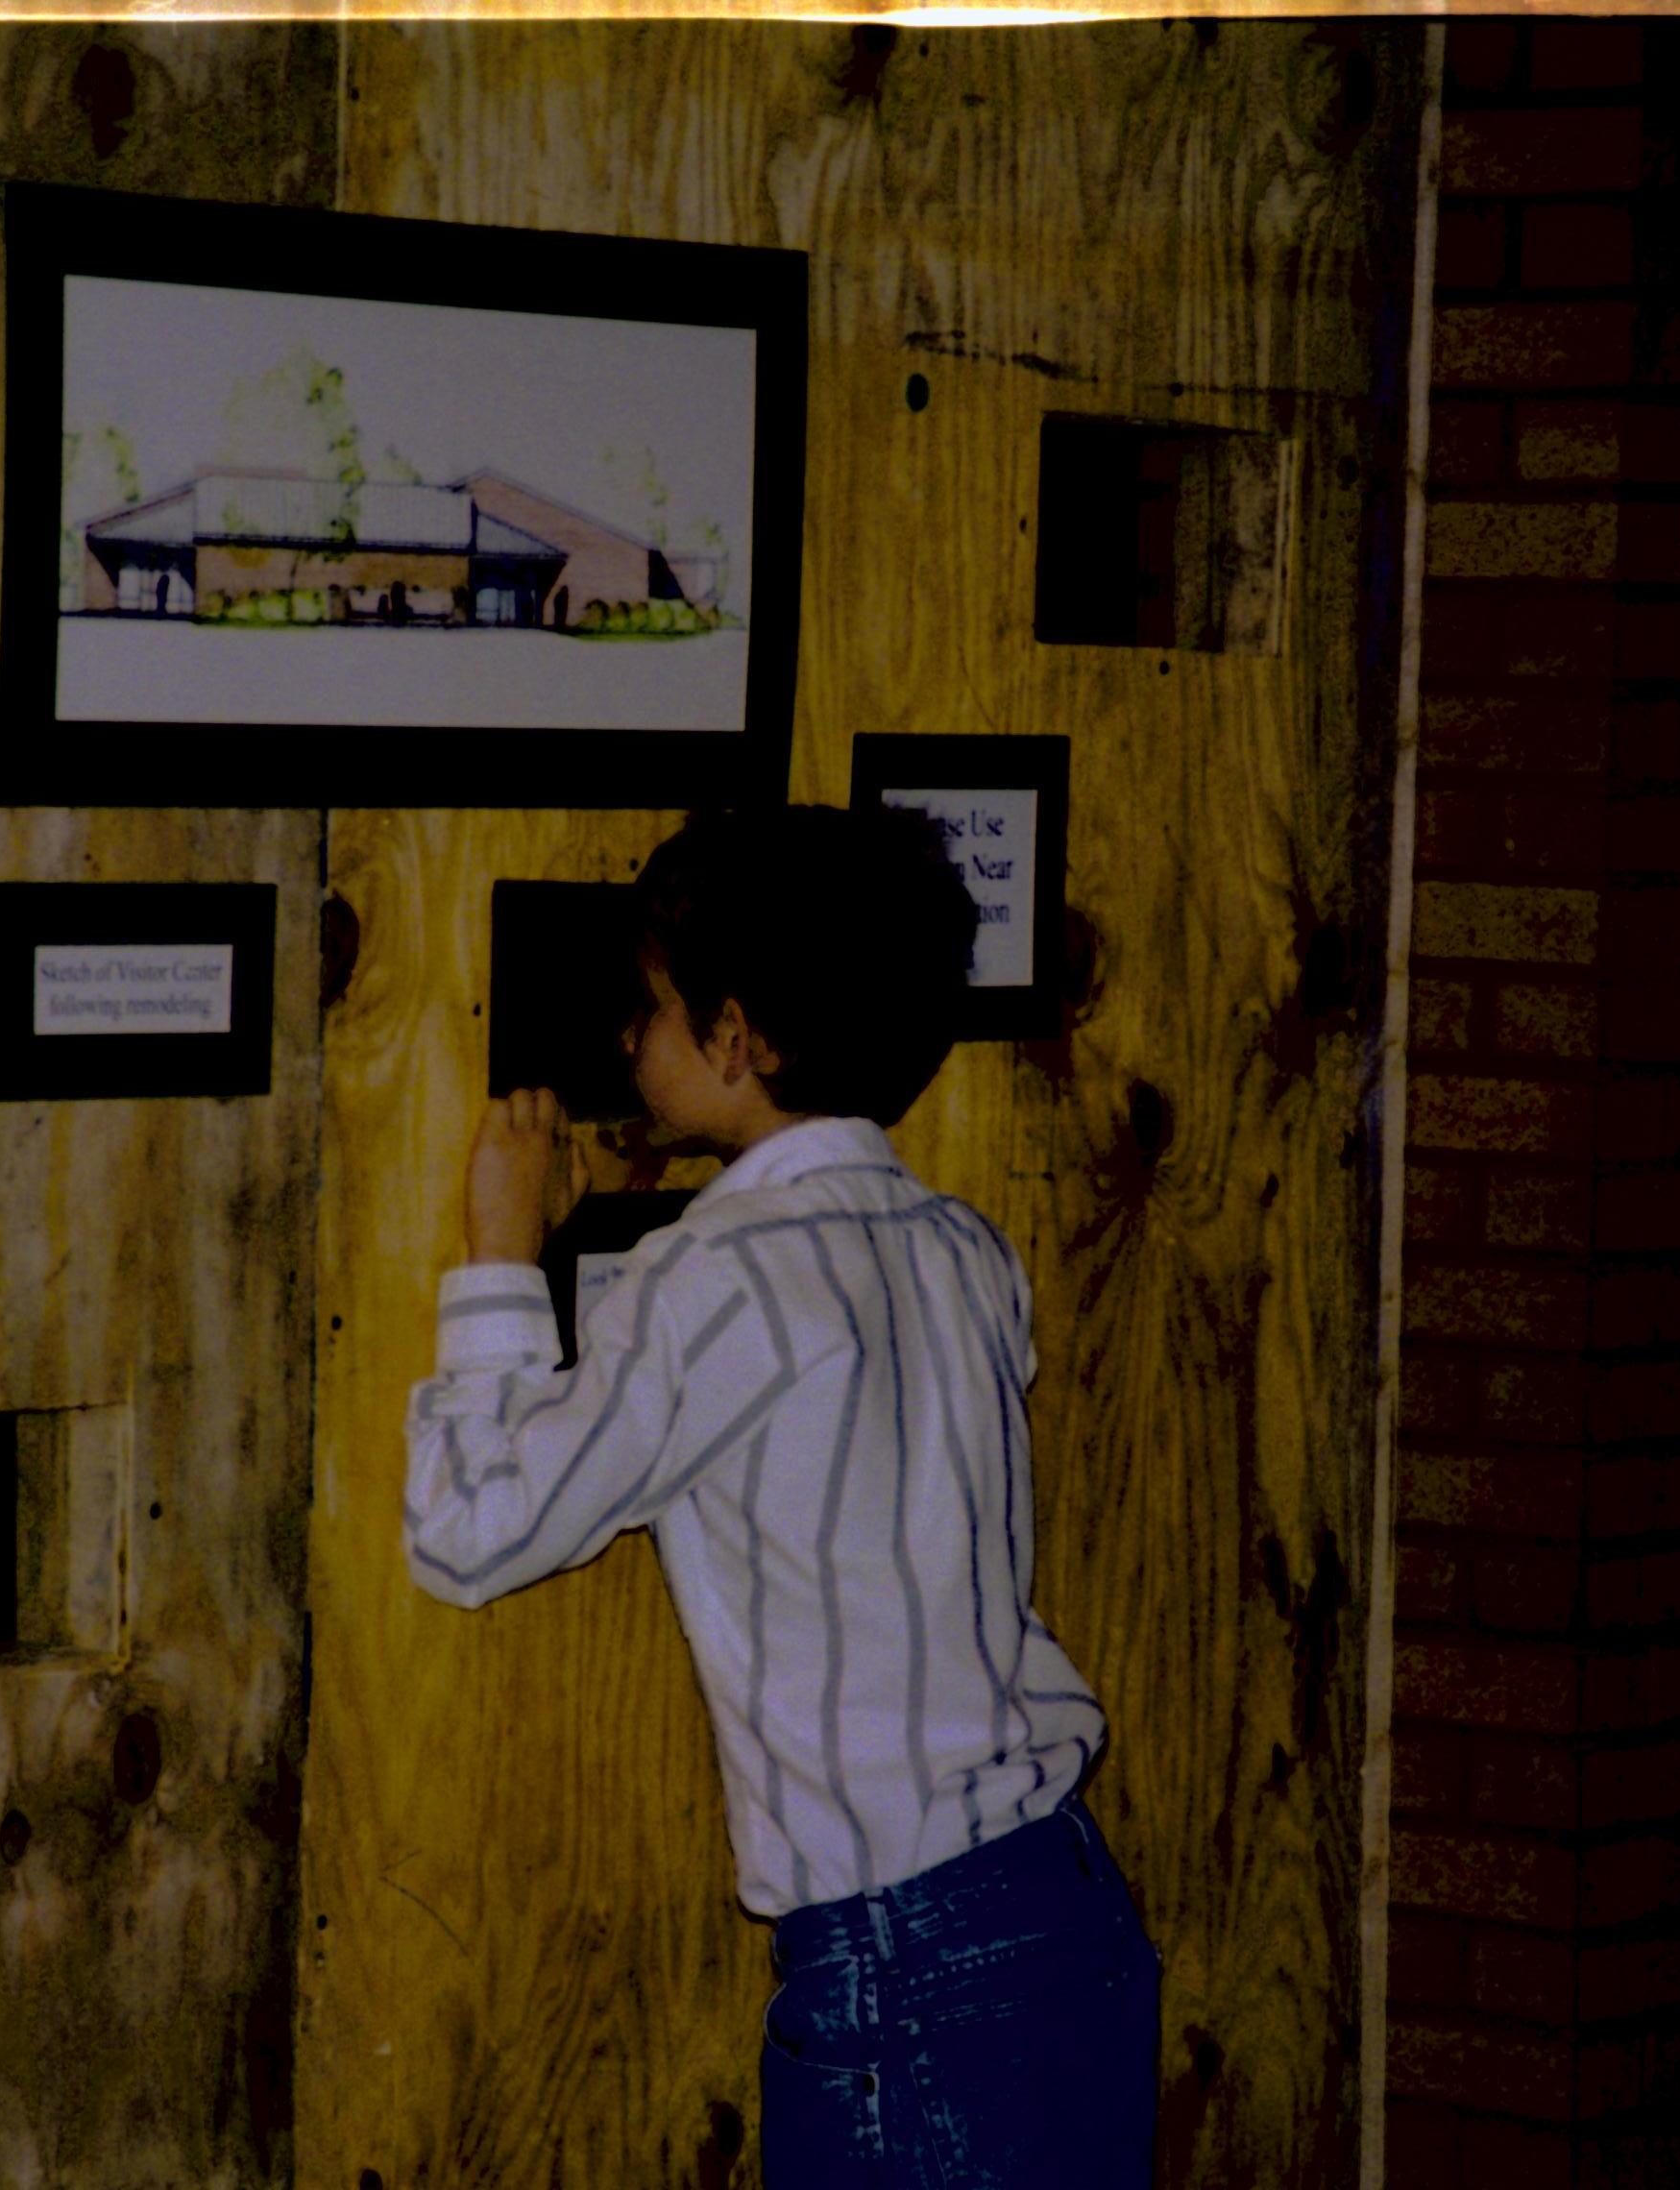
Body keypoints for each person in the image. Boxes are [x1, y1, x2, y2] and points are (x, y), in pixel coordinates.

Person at [402, 804, 1159, 2188]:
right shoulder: (962, 1248)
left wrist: (503, 1259)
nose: (626, 1042)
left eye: (647, 1009)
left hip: (903, 1967)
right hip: (1063, 1913)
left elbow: (470, 1531)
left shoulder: (724, 1275)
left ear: (738, 1037)